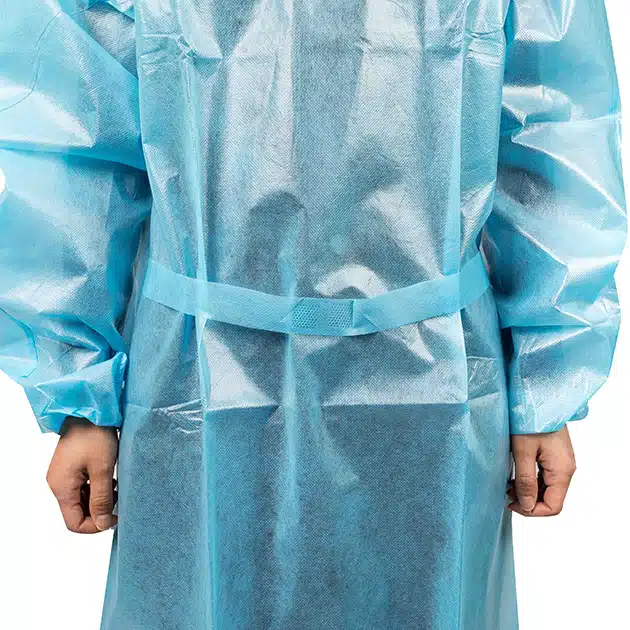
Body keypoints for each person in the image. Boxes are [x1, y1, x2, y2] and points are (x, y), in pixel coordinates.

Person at [0, 0, 626, 628]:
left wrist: (544, 385)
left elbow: (548, 142)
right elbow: (75, 141)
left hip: (431, 383)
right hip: (198, 381)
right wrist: (81, 398)